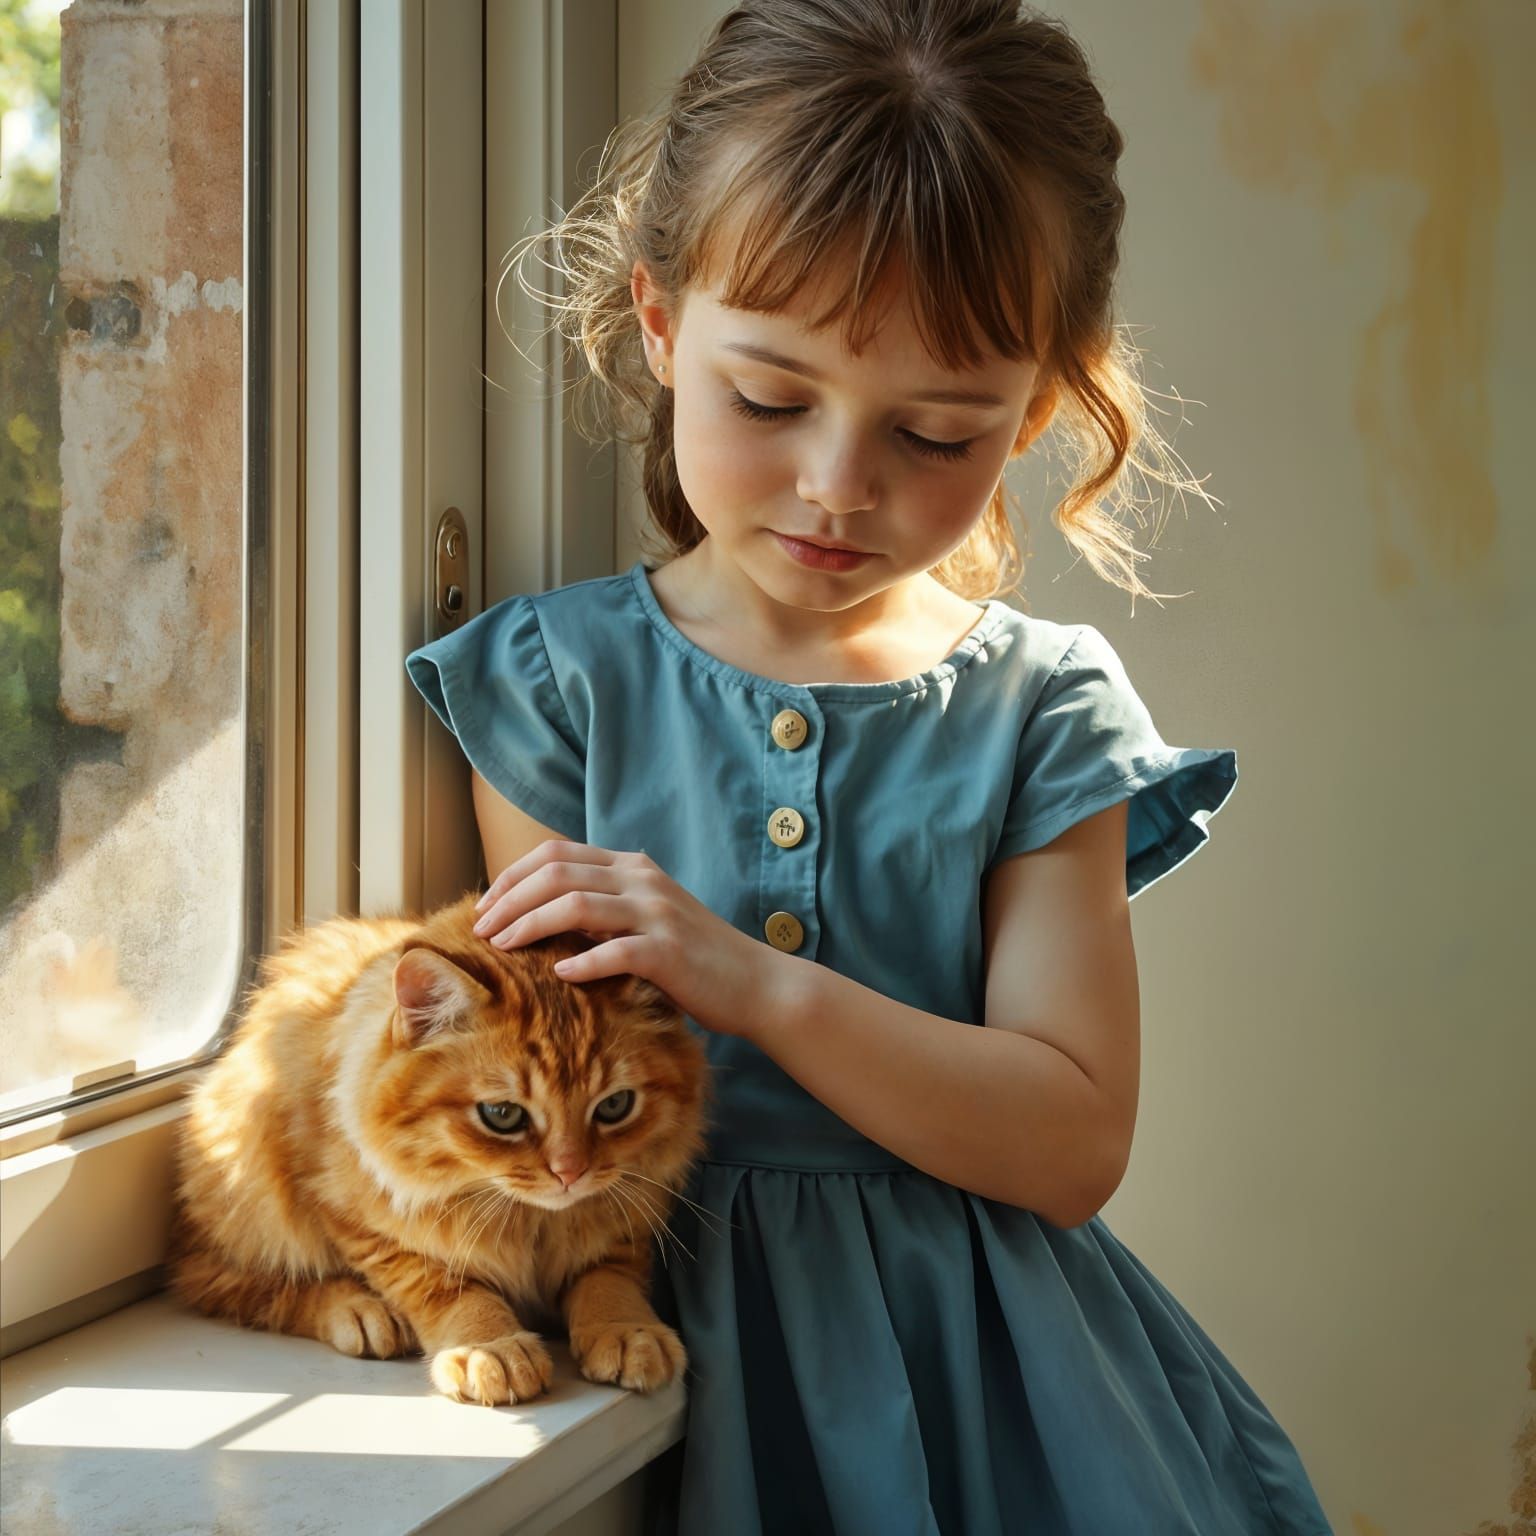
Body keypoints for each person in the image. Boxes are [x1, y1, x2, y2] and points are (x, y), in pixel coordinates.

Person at [405, 2, 1334, 1531]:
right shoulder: (552, 685)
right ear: (656, 326)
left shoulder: (1043, 706)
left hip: (995, 1389)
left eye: (941, 432)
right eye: (769, 400)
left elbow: (1072, 1142)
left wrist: (748, 979)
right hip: (644, 1353)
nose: (842, 487)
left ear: (1040, 406)